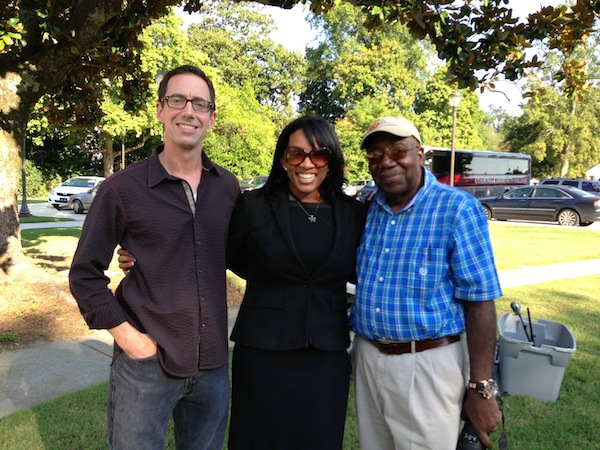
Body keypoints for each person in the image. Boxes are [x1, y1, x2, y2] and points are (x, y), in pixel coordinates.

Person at [69, 65, 240, 450]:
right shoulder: (121, 190)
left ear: (211, 117)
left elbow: (235, 253)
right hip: (147, 364)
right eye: (177, 100)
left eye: (200, 103)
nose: (188, 111)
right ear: (160, 110)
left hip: (212, 363)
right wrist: (131, 341)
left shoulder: (228, 188)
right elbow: (84, 275)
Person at [349, 117, 503, 449]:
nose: (385, 161)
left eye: (396, 150)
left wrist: (482, 386)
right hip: (367, 357)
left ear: (420, 154)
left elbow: (479, 301)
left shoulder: (457, 208)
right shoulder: (368, 209)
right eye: (375, 155)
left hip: (427, 364)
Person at [226, 116, 366, 449]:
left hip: (325, 353)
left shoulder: (353, 213)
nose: (307, 163)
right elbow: (232, 256)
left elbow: (358, 269)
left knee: (318, 438)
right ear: (282, 159)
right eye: (296, 154)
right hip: (263, 349)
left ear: (331, 162)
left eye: (318, 155)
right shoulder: (253, 206)